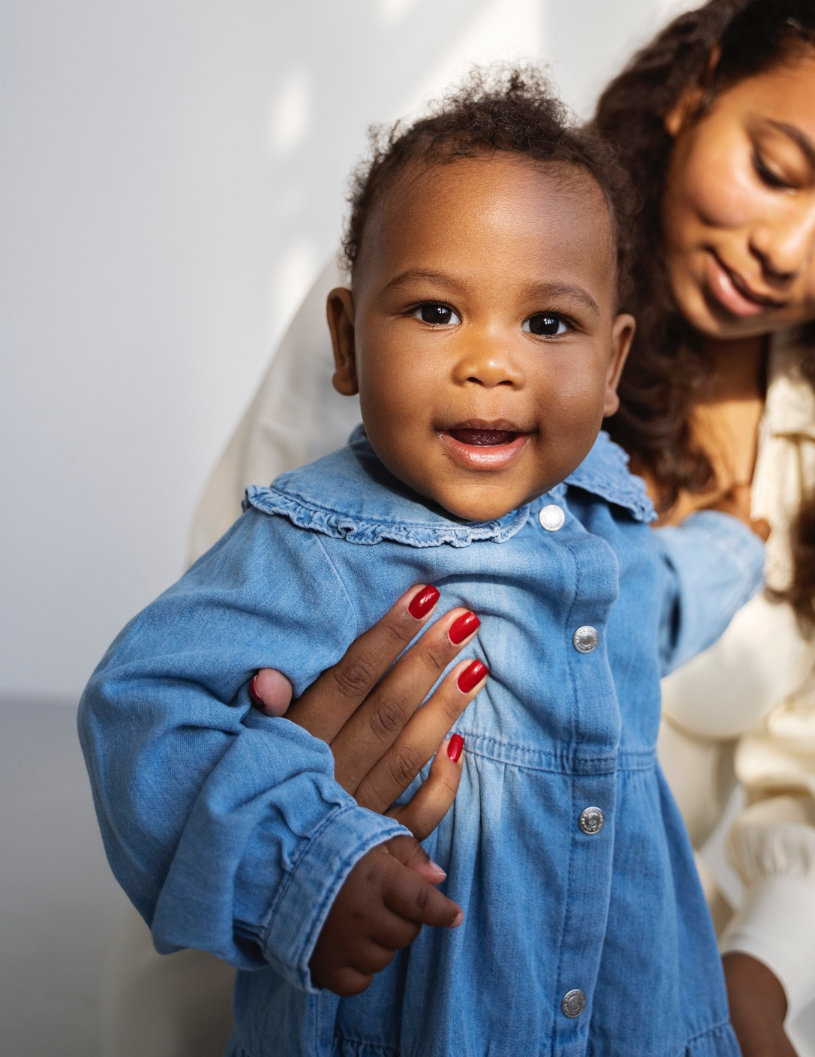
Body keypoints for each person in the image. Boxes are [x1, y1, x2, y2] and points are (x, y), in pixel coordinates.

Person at [167, 0, 815, 1057]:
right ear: (698, 88)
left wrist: (752, 979)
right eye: (774, 167)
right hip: (339, 947)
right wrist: (295, 778)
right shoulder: (424, 320)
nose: (784, 246)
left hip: (616, 979)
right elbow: (218, 655)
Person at [80, 75, 769, 1057]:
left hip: (633, 1012)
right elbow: (141, 706)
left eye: (546, 324)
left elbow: (659, 605)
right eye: (436, 311)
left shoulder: (605, 530)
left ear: (612, 366)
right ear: (346, 341)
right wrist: (308, 866)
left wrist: (734, 548)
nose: (491, 362)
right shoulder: (316, 549)